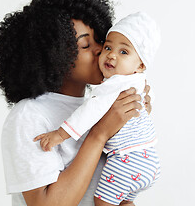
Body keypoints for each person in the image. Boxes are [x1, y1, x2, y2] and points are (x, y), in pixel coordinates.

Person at [0, 0, 152, 206]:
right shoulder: (29, 115)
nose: (100, 50)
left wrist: (134, 114)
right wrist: (100, 134)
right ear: (53, 56)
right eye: (85, 44)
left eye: (101, 41)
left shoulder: (97, 106)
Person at [34, 12, 161, 205]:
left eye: (123, 52)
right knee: (124, 203)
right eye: (108, 47)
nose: (109, 54)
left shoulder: (112, 86)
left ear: (141, 64)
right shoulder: (138, 81)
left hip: (126, 159)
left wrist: (60, 135)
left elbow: (89, 111)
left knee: (101, 202)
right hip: (149, 160)